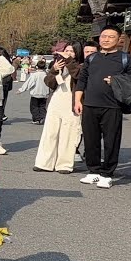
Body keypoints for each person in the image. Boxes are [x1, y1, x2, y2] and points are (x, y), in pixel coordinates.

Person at [75, 26, 131, 188]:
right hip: (90, 104)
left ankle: (107, 173)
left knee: (111, 140)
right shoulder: (92, 58)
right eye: (103, 36)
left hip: (113, 106)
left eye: (111, 37)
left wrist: (116, 81)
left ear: (119, 40)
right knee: (91, 140)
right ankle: (93, 171)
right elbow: (82, 80)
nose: (106, 39)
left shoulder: (127, 59)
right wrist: (78, 101)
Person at [34, 44, 83, 174]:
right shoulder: (58, 64)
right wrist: (54, 70)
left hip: (72, 102)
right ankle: (44, 163)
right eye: (66, 50)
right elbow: (49, 83)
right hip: (56, 100)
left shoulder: (80, 66)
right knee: (50, 133)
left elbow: (79, 76)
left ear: (77, 53)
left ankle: (64, 164)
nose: (68, 53)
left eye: (71, 51)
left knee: (69, 134)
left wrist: (69, 62)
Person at [17, 58, 51, 124]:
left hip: (35, 94)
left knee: (34, 107)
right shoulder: (47, 75)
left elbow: (29, 83)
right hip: (44, 94)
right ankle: (42, 117)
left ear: (37, 67)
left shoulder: (35, 75)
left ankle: (36, 119)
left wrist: (21, 90)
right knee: (42, 107)